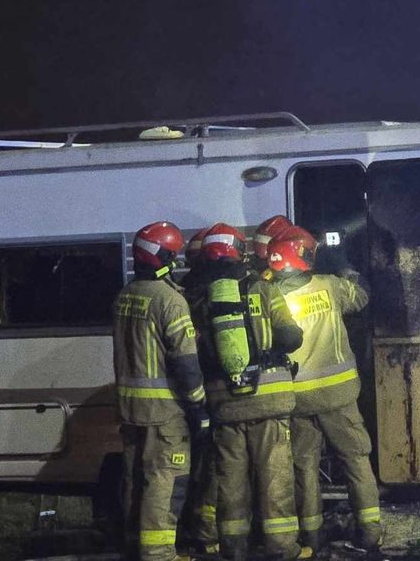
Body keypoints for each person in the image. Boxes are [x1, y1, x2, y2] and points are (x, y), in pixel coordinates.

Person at [193, 223, 307, 561]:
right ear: (239, 252)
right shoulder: (262, 289)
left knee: (230, 483)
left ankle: (234, 550)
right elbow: (291, 338)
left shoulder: (198, 299)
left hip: (224, 404)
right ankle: (282, 549)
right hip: (268, 400)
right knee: (275, 480)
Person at [268, 233, 381, 552]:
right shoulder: (329, 285)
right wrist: (345, 265)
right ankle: (370, 532)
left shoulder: (270, 294)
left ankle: (313, 537)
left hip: (296, 399)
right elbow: (361, 297)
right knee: (356, 460)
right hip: (338, 396)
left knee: (303, 468)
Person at [112, 221, 207, 561]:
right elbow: (184, 361)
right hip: (165, 413)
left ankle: (135, 546)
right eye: (173, 253)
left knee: (135, 479)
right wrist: (198, 406)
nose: (178, 259)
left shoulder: (126, 295)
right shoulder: (169, 300)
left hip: (131, 411)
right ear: (162, 256)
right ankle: (158, 553)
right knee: (166, 481)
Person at [178, 227, 219, 555]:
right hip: (209, 392)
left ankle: (192, 529)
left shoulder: (181, 291)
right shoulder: (212, 292)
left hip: (185, 397)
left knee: (193, 469)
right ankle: (206, 534)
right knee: (210, 469)